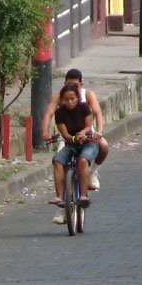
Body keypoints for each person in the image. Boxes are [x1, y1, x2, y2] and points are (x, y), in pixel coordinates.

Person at [41, 69, 108, 223]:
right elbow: (48, 114)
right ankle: (62, 205)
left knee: (102, 147)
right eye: (68, 85)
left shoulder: (87, 99)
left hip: (87, 137)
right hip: (70, 140)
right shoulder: (59, 102)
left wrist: (99, 131)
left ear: (80, 87)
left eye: (75, 86)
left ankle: (93, 173)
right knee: (59, 162)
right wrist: (45, 132)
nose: (69, 101)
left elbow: (97, 114)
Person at [48, 84, 99, 209]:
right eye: (66, 99)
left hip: (88, 142)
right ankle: (60, 196)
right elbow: (64, 133)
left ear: (78, 97)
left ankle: (83, 195)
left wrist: (83, 134)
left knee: (83, 160)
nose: (70, 102)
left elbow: (88, 126)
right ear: (62, 100)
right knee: (58, 161)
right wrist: (73, 138)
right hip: (71, 144)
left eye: (72, 99)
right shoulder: (59, 113)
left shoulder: (84, 108)